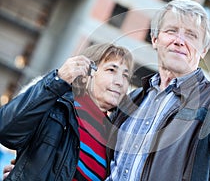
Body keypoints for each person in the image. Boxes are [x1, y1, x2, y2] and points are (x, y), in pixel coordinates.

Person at [105, 0, 210, 181]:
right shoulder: (133, 98)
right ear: (155, 39)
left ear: (203, 51)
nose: (179, 41)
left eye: (191, 35)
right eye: (171, 31)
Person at [0, 43, 133, 180]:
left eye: (125, 76)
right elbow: (6, 129)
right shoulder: (55, 105)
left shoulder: (115, 139)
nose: (120, 82)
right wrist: (58, 80)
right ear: (87, 72)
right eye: (111, 70)